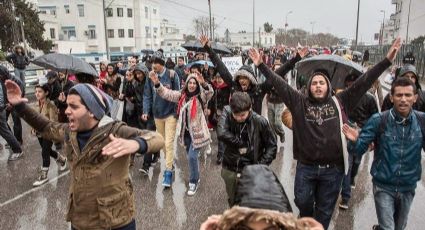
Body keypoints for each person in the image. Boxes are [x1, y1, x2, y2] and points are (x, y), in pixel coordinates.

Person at [248, 38, 401, 229]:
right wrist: (261, 65)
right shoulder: (299, 102)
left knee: (325, 210)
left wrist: (387, 60)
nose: (318, 86)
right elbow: (279, 83)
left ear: (328, 86)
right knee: (302, 201)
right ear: (309, 87)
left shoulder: (341, 101)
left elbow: (365, 81)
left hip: (333, 170)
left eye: (322, 83)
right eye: (314, 83)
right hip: (306, 168)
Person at [4, 80, 164, 230]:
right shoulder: (69, 132)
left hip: (116, 221)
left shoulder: (116, 131)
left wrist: (136, 143)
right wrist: (20, 106)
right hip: (81, 219)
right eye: (67, 105)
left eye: (73, 107)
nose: (66, 111)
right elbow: (46, 126)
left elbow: (158, 138)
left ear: (92, 111)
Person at [343, 77, 424, 230]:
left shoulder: (422, 121)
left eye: (408, 95)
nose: (403, 99)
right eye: (399, 95)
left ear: (415, 98)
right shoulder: (379, 120)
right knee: (388, 227)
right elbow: (358, 150)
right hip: (383, 186)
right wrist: (354, 141)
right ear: (391, 98)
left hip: (408, 186)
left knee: (399, 227)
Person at [151, 72, 213, 195]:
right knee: (191, 157)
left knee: (192, 156)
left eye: (194, 83)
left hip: (198, 133)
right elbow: (167, 94)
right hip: (185, 133)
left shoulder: (201, 96)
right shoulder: (182, 96)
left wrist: (203, 83)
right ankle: (197, 176)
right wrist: (157, 83)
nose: (192, 85)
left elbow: (210, 92)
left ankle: (193, 182)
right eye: (190, 82)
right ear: (186, 84)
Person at [217, 91, 277, 206]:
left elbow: (272, 146)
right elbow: (221, 133)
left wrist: (260, 165)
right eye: (236, 115)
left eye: (243, 115)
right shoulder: (227, 112)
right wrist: (241, 144)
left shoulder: (260, 121)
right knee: (233, 200)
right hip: (230, 167)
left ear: (250, 108)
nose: (239, 118)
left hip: (252, 168)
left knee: (251, 202)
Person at [338, 74, 378, 210]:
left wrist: (372, 137)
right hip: (347, 133)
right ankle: (345, 197)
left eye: (353, 84)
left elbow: (375, 118)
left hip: (363, 133)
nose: (351, 87)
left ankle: (353, 177)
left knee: (356, 161)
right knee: (347, 165)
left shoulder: (370, 99)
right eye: (348, 85)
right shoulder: (343, 98)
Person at [143, 50, 180, 187]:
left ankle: (168, 172)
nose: (153, 66)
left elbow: (178, 95)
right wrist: (146, 111)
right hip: (157, 115)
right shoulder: (150, 76)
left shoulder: (172, 75)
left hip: (170, 114)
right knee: (163, 143)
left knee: (169, 143)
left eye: (156, 63)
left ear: (161, 63)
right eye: (152, 63)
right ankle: (170, 163)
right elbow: (147, 94)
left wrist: (177, 113)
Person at [32, 84, 67, 187]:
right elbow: (33, 119)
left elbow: (53, 123)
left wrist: (42, 127)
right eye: (36, 92)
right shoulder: (36, 104)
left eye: (40, 91)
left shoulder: (51, 105)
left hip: (48, 133)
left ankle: (44, 176)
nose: (37, 94)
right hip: (39, 133)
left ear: (46, 93)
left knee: (44, 153)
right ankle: (62, 159)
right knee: (48, 151)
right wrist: (33, 128)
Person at [207, 71, 231, 164]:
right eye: (217, 78)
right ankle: (224, 150)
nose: (218, 80)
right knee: (219, 135)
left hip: (225, 115)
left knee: (221, 135)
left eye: (220, 78)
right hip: (215, 115)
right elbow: (210, 99)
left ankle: (220, 155)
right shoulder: (213, 87)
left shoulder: (228, 87)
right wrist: (209, 108)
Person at [0, 66, 24, 160]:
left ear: (3, 74)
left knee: (16, 122)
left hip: (15, 104)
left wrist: (12, 104)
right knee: (5, 122)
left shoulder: (15, 80)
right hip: (6, 105)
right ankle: (13, 140)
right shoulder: (2, 80)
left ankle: (18, 140)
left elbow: (21, 92)